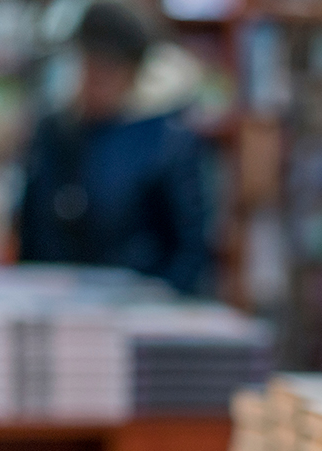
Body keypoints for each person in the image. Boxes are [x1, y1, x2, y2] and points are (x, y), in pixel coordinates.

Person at [17, 2, 212, 297]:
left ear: (132, 75)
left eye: (108, 71)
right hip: (57, 302)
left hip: (139, 308)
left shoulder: (164, 139)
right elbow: (32, 229)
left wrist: (160, 303)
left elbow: (190, 249)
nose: (94, 81)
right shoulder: (54, 132)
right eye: (88, 66)